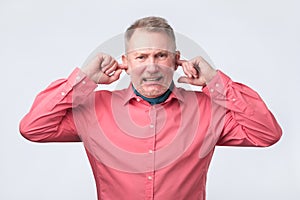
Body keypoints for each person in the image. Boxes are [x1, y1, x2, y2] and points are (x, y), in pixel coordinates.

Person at [19, 16, 282, 200]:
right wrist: (84, 79)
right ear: (126, 62)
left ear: (177, 60)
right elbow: (34, 128)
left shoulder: (207, 110)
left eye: (161, 55)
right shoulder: (94, 109)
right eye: (141, 57)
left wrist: (215, 81)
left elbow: (266, 134)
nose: (152, 66)